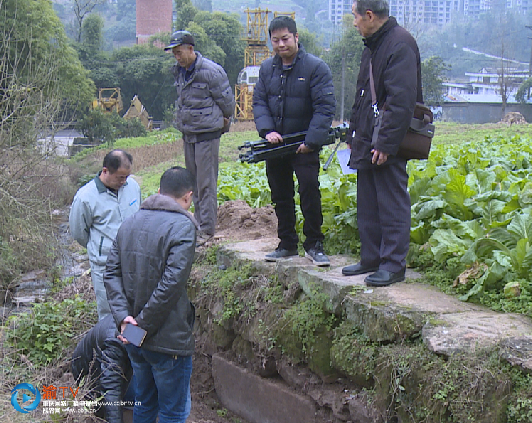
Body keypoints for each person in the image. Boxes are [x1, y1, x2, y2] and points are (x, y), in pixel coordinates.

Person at [104, 166, 197, 423]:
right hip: (166, 340)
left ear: (158, 191)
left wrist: (125, 321)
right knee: (173, 411)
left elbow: (110, 274)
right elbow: (171, 285)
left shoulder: (130, 221)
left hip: (133, 335)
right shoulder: (183, 226)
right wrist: (141, 326)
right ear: (188, 197)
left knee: (145, 404)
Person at [342, 0, 422, 286]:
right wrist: (353, 135)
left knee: (391, 200)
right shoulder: (373, 44)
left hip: (388, 139)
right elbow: (362, 94)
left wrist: (386, 144)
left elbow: (402, 101)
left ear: (369, 15)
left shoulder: (400, 44)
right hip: (367, 135)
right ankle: (371, 258)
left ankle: (393, 264)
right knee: (368, 202)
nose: (354, 23)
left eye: (355, 16)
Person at [252, 16, 336, 267]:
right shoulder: (267, 69)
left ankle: (314, 243)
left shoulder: (315, 67)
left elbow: (325, 107)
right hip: (276, 145)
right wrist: (267, 131)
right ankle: (287, 243)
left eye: (285, 39)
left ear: (296, 37)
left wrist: (311, 141)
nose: (280, 45)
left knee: (309, 191)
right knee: (281, 194)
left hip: (304, 143)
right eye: (275, 40)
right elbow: (259, 102)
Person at [165, 31, 235, 246]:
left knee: (206, 183)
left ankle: (207, 229)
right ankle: (199, 224)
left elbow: (227, 103)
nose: (177, 57)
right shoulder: (180, 72)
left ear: (190, 49)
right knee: (193, 182)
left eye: (179, 52)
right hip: (189, 133)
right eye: (174, 54)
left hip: (207, 134)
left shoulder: (211, 72)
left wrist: (222, 121)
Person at [69, 150, 141, 319]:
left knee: (135, 309)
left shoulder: (133, 187)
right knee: (110, 314)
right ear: (105, 171)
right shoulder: (85, 197)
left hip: (134, 262)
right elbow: (79, 233)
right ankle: (112, 345)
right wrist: (101, 248)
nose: (124, 182)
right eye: (120, 177)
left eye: (127, 177)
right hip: (105, 266)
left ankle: (133, 344)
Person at [71, 315, 134, 423]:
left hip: (110, 361)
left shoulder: (133, 325)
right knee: (106, 407)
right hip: (88, 371)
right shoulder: (116, 341)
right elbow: (111, 388)